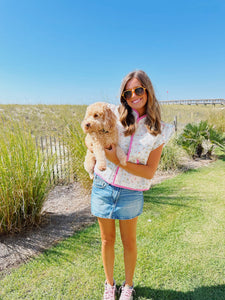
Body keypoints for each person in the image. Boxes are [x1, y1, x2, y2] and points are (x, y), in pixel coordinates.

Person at [89, 70, 174, 300]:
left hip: (131, 192)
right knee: (107, 240)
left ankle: (127, 286)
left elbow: (149, 172)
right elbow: (92, 130)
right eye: (128, 93)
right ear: (123, 97)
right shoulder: (114, 115)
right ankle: (109, 284)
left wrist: (118, 161)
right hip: (103, 185)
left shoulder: (159, 129)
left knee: (129, 242)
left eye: (138, 90)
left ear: (147, 90)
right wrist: (93, 150)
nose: (134, 96)